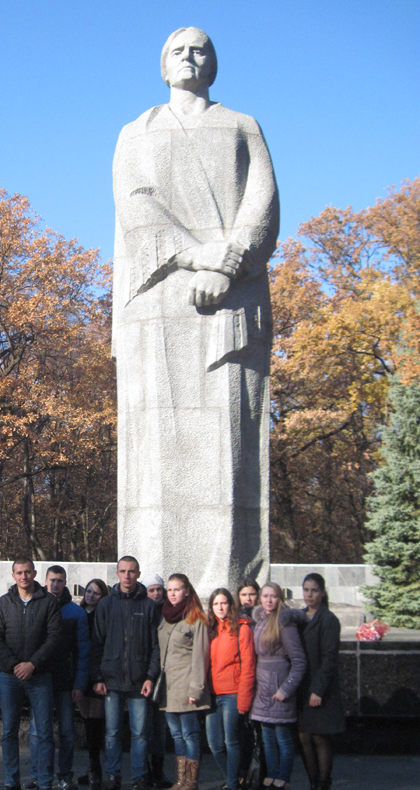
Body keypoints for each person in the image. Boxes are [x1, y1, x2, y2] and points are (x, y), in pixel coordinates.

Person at [112, 27, 279, 593]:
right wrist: (197, 255)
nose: (189, 55)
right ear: (163, 67)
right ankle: (156, 586)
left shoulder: (242, 125)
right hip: (160, 299)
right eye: (177, 49)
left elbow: (263, 201)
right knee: (156, 447)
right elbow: (135, 205)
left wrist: (227, 266)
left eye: (200, 48)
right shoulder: (137, 132)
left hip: (232, 298)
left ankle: (231, 586)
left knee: (230, 442)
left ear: (214, 64)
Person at [0, 558, 63, 790]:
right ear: (13, 576)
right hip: (9, 677)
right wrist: (14, 665)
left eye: (28, 572)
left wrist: (32, 664)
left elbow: (54, 638)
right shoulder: (3, 603)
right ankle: (12, 783)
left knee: (43, 732)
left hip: (39, 675)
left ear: (34, 574)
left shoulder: (49, 603)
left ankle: (44, 783)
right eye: (19, 572)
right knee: (8, 731)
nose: (24, 576)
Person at [90, 556, 160, 790]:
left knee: (140, 733)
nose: (127, 576)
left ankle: (140, 778)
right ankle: (112, 776)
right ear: (117, 574)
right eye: (123, 571)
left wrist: (151, 676)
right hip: (111, 680)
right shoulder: (106, 605)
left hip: (140, 680)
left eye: (131, 571)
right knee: (111, 732)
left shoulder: (149, 606)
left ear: (138, 574)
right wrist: (97, 676)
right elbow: (96, 643)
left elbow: (155, 646)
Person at [25, 565, 90, 790]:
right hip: (40, 679)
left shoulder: (75, 613)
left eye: (60, 580)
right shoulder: (35, 606)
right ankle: (37, 774)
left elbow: (83, 651)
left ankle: (64, 776)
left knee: (66, 731)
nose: (55, 584)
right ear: (44, 581)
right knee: (36, 731)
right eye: (52, 580)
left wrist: (79, 683)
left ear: (66, 583)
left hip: (65, 681)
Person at [250, 583, 306, 790]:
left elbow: (299, 661)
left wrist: (286, 689)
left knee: (283, 740)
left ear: (280, 599)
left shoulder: (285, 623)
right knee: (268, 741)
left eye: (273, 596)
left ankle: (283, 786)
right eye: (265, 596)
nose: (269, 600)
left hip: (278, 688)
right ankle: (271, 784)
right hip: (262, 690)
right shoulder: (260, 621)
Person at [157, 574, 210, 790]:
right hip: (168, 688)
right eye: (169, 589)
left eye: (177, 589)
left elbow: (201, 655)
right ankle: (180, 781)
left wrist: (196, 689)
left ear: (187, 590)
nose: (172, 593)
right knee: (177, 736)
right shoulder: (165, 616)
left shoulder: (196, 618)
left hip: (187, 686)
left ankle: (192, 784)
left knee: (190, 735)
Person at [296, 573, 345, 790]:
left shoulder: (328, 619)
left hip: (319, 689)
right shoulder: (299, 618)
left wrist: (318, 690)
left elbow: (329, 659)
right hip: (301, 688)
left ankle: (324, 788)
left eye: (314, 590)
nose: (309, 595)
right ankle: (313, 785)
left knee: (319, 738)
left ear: (323, 592)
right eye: (306, 590)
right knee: (304, 737)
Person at [204, 588, 255, 790]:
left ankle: (233, 785)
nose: (220, 608)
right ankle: (232, 780)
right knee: (214, 744)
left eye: (224, 603)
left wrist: (244, 699)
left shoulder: (242, 629)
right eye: (216, 604)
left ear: (231, 605)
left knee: (231, 741)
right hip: (213, 694)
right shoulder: (211, 629)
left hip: (233, 693)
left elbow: (248, 666)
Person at [77, 578, 109, 789]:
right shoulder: (79, 614)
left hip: (98, 674)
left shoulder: (103, 616)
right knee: (86, 721)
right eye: (89, 591)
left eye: (96, 593)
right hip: (81, 674)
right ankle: (91, 767)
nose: (91, 595)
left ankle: (96, 769)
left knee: (96, 723)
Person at [235, 575, 263, 790]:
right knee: (243, 733)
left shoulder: (264, 618)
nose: (248, 599)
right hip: (243, 681)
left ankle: (261, 776)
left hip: (264, 680)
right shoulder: (236, 620)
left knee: (261, 734)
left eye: (252, 594)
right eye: (243, 594)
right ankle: (245, 773)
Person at [143, 571, 170, 789]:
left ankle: (158, 769)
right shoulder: (142, 609)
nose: (155, 593)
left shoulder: (170, 612)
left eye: (158, 589)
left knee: (159, 728)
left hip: (167, 676)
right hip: (146, 676)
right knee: (144, 727)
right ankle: (145, 771)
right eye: (151, 590)